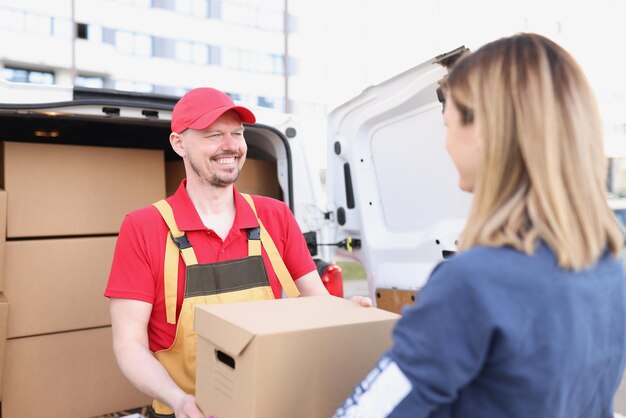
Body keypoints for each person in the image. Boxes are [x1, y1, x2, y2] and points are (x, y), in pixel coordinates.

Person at [334, 33, 626, 418]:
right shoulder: (607, 270)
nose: (447, 144)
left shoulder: (473, 282)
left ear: (487, 133)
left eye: (449, 124)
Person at [105, 87, 369, 418]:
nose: (231, 145)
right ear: (179, 144)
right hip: (186, 411)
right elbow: (128, 344)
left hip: (269, 404)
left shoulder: (275, 217)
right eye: (214, 134)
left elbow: (317, 304)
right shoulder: (144, 227)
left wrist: (347, 314)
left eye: (237, 133)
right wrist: (177, 399)